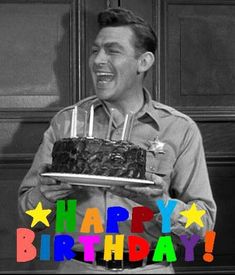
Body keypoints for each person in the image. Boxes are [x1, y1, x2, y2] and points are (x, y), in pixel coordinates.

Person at [18, 8, 217, 274]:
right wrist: (45, 196)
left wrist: (160, 203)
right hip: (78, 267)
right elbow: (29, 219)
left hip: (150, 267)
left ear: (143, 62)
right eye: (95, 50)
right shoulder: (67, 124)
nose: (98, 60)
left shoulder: (178, 129)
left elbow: (203, 226)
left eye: (112, 51)